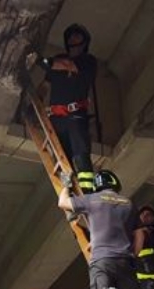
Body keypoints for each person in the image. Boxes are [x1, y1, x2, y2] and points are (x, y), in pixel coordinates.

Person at [58, 169, 145, 289]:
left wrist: (66, 186)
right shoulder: (129, 203)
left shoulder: (92, 199)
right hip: (125, 262)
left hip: (102, 261)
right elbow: (140, 235)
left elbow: (62, 202)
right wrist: (133, 254)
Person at [34, 23, 98, 193]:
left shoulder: (88, 61)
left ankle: (87, 192)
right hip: (57, 119)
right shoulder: (58, 60)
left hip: (75, 117)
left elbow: (68, 65)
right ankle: (68, 192)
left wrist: (42, 61)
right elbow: (45, 85)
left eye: (78, 35)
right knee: (62, 158)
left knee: (80, 155)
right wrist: (35, 103)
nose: (73, 38)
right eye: (71, 35)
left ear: (85, 41)